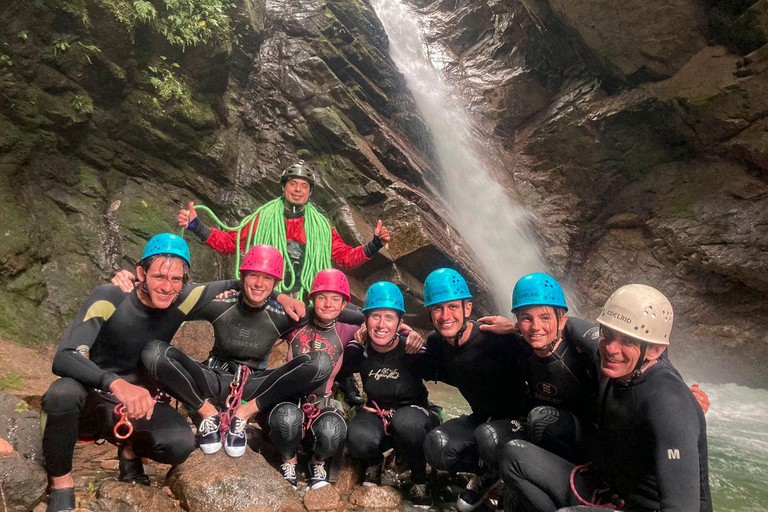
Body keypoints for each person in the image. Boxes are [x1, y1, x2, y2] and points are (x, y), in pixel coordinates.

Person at [41, 234, 242, 512]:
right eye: (159, 276)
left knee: (181, 444)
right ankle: (61, 483)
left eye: (176, 279)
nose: (167, 287)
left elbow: (245, 284)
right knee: (62, 393)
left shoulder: (182, 299)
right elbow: (64, 356)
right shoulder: (111, 296)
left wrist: (283, 298)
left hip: (139, 408)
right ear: (140, 273)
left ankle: (130, 451)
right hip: (94, 399)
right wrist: (115, 383)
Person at [501, 284, 712, 512]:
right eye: (607, 334)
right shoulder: (610, 361)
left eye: (628, 341)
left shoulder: (667, 403)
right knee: (514, 456)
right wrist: (515, 327)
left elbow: (682, 507)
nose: (611, 348)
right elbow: (570, 323)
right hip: (611, 491)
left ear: (655, 350)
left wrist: (684, 405)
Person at [131, 245, 336, 458]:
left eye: (267, 278)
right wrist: (131, 283)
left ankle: (244, 414)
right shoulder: (221, 302)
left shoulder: (285, 312)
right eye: (253, 276)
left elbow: (332, 311)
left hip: (254, 384)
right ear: (242, 277)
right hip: (212, 379)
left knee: (321, 362)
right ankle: (207, 413)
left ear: (276, 283)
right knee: (154, 352)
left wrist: (366, 324)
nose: (258, 284)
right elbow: (171, 293)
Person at [178, 161, 391, 299]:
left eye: (304, 186)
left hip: (304, 297)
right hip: (266, 294)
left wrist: (374, 245)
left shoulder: (321, 227)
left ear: (310, 193)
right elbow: (229, 243)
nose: (298, 189)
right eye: (293, 184)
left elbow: (345, 258)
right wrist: (197, 226)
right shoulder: (264, 218)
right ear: (284, 187)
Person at [419, 268, 531, 512]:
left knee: (488, 437)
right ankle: (488, 474)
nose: (445, 315)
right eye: (437, 308)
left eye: (452, 307)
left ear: (467, 309)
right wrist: (404, 339)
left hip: (521, 422)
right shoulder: (436, 343)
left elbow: (546, 348)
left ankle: (515, 477)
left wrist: (516, 329)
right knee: (436, 445)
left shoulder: (496, 336)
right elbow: (419, 369)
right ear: (429, 312)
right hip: (483, 418)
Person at [341, 282, 440, 508]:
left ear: (399, 323)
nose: (381, 324)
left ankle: (419, 478)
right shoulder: (361, 349)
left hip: (414, 414)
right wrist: (356, 342)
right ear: (365, 320)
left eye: (389, 317)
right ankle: (376, 460)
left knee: (407, 424)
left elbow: (445, 370)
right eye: (375, 316)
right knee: (357, 440)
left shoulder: (412, 349)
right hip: (376, 411)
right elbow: (342, 370)